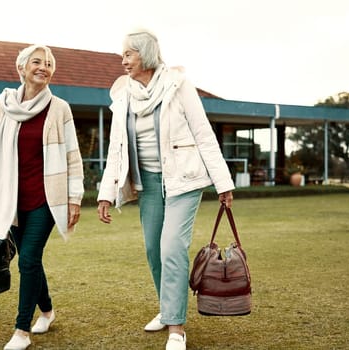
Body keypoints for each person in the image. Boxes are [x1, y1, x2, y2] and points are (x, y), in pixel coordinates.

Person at [96, 30, 234, 350]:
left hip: (183, 179)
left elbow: (203, 132)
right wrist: (106, 192)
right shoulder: (124, 95)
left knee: (171, 246)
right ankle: (168, 307)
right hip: (147, 182)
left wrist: (223, 183)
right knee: (153, 250)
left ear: (144, 54)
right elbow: (116, 148)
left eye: (128, 54)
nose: (123, 60)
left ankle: (176, 328)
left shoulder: (178, 85)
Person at [0, 44, 84, 350]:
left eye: (48, 63)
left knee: (30, 259)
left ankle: (22, 331)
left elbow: (73, 157)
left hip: (46, 199)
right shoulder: (4, 104)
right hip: (11, 199)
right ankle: (46, 310)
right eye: (37, 62)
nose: (43, 67)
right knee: (30, 262)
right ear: (21, 68)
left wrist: (75, 198)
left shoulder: (59, 108)